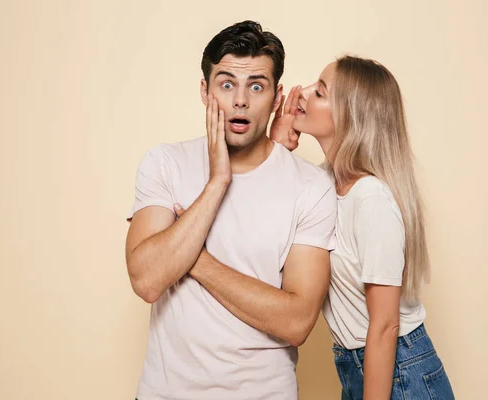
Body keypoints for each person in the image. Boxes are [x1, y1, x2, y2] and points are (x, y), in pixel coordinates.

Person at [125, 21, 337, 400]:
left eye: (256, 86)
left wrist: (193, 258)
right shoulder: (165, 164)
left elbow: (297, 321)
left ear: (276, 99)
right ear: (205, 92)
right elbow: (146, 280)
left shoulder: (310, 187)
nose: (240, 100)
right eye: (226, 84)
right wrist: (217, 182)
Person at [271, 56, 455, 399]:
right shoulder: (322, 183)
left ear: (351, 116)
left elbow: (385, 326)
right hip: (358, 364)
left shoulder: (371, 199)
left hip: (400, 370)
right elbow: (271, 234)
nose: (304, 93)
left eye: (320, 92)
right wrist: (278, 148)